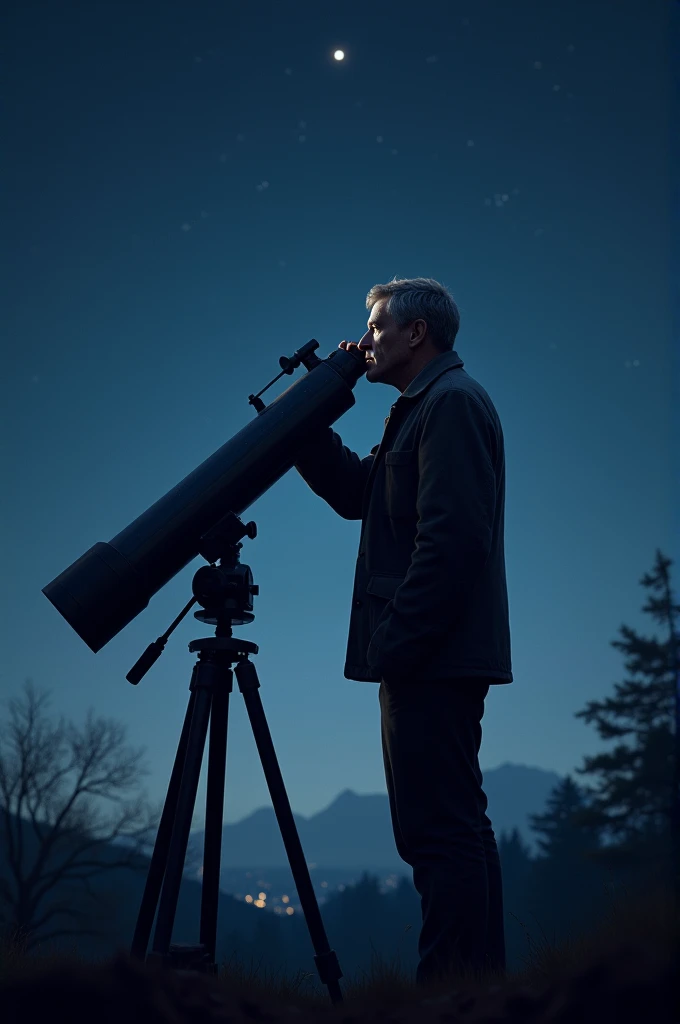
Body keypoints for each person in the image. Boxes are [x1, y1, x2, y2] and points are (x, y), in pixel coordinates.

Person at [294, 276, 511, 987]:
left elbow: (452, 542)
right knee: (456, 829)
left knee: (437, 834)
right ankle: (474, 990)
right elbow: (362, 495)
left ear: (417, 333)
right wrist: (305, 422)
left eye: (378, 328)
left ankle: (447, 994)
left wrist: (398, 644)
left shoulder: (449, 404)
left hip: (431, 655)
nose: (366, 341)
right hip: (436, 651)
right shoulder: (424, 407)